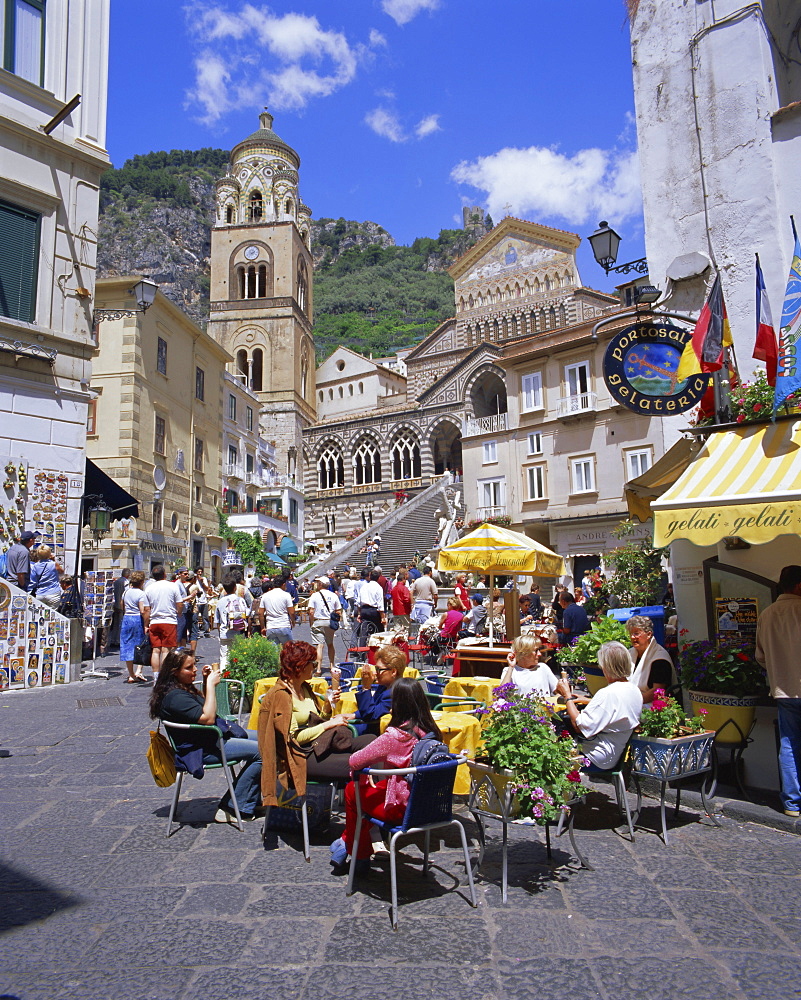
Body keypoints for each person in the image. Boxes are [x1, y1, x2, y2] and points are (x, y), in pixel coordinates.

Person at [329, 677, 444, 871]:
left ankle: (357, 852)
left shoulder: (395, 737)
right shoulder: (432, 732)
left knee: (352, 790)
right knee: (371, 788)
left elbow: (354, 761)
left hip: (401, 809)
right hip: (429, 806)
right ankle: (349, 845)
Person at [150, 647, 262, 822]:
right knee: (262, 752)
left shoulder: (181, 688)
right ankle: (233, 807)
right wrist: (210, 685)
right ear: (174, 672)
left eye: (194, 665)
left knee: (269, 739)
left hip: (212, 737)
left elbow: (199, 708)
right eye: (189, 668)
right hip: (203, 748)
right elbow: (208, 717)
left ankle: (249, 798)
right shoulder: (175, 697)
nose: (194, 669)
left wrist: (203, 681)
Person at [257, 641, 374, 796]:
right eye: (312, 663)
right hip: (299, 756)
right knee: (359, 763)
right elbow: (293, 738)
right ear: (300, 665)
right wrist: (329, 725)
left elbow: (316, 721)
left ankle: (376, 801)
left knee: (371, 742)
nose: (315, 666)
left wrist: (326, 706)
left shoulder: (304, 688)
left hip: (318, 745)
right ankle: (371, 807)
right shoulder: (281, 696)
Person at [756, 565, 801, 818]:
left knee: (790, 744)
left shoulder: (768, 614)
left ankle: (793, 802)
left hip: (784, 690)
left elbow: (760, 655)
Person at [556, 640, 643, 769]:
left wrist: (567, 696)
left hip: (597, 756)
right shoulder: (634, 690)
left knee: (553, 731)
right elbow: (618, 707)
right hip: (614, 752)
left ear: (606, 667)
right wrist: (590, 701)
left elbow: (579, 726)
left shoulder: (608, 694)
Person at [351, 643, 405, 736]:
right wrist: (353, 715)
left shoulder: (395, 693)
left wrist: (366, 687)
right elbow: (373, 708)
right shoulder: (384, 686)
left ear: (393, 672)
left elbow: (370, 715)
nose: (375, 673)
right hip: (367, 726)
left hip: (373, 733)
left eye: (379, 669)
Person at [144, 564, 184, 675]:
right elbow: (179, 604)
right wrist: (179, 612)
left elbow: (147, 610)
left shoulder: (149, 588)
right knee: (166, 650)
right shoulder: (172, 586)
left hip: (155, 621)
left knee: (156, 650)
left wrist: (146, 624)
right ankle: (165, 675)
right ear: (165, 575)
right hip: (169, 621)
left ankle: (156, 676)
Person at [626, 615, 674, 705]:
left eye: (636, 633)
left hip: (652, 705)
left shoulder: (660, 658)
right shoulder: (629, 654)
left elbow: (657, 691)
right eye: (630, 634)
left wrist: (632, 703)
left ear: (648, 634)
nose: (632, 637)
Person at [215, 573, 249, 672]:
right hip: (238, 632)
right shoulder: (241, 600)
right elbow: (246, 615)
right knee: (238, 656)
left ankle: (224, 678)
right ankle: (237, 677)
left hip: (225, 633)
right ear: (235, 588)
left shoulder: (220, 602)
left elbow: (217, 621)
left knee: (224, 657)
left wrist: (220, 632)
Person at [120, 569, 150, 683]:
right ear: (142, 582)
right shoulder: (141, 594)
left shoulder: (126, 592)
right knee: (140, 645)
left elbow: (121, 604)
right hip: (137, 619)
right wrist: (146, 623)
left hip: (127, 618)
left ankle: (131, 674)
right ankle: (139, 670)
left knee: (127, 644)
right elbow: (143, 610)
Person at [308, 576, 343, 674]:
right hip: (329, 622)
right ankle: (332, 665)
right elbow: (338, 611)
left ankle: (318, 668)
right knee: (330, 644)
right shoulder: (333, 595)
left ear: (320, 584)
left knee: (319, 646)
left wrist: (311, 622)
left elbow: (311, 611)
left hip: (318, 621)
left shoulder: (314, 596)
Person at [258, 574, 296, 645]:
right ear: (284, 584)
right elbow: (292, 612)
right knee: (288, 651)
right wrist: (293, 621)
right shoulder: (286, 595)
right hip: (284, 625)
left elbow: (260, 613)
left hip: (271, 626)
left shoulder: (265, 596)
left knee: (274, 653)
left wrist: (263, 627)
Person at [430, 595, 464, 663]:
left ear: (451, 605)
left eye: (448, 604)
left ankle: (438, 653)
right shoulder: (461, 615)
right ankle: (443, 652)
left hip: (444, 637)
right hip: (453, 638)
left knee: (430, 638)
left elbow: (439, 626)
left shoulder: (446, 614)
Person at [357, 568, 386, 645]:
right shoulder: (378, 588)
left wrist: (359, 613)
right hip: (374, 611)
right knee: (379, 630)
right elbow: (380, 604)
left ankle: (362, 651)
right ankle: (378, 648)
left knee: (364, 632)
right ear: (378, 578)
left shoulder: (364, 587)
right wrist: (382, 616)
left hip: (364, 610)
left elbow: (359, 602)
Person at [106, 567, 130, 649]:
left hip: (115, 604)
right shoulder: (126, 582)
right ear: (128, 575)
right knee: (120, 623)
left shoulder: (116, 582)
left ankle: (113, 639)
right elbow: (126, 594)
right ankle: (118, 640)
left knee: (115, 623)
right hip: (121, 605)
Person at [195, 566, 212, 637]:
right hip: (196, 601)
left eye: (201, 572)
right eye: (198, 572)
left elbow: (207, 589)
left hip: (203, 601)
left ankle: (206, 631)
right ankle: (196, 632)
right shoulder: (194, 579)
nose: (200, 573)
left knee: (205, 617)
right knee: (195, 618)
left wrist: (202, 582)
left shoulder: (204, 579)